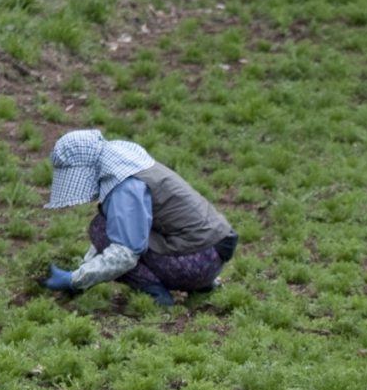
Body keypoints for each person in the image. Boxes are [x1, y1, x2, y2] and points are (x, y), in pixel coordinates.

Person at [42, 127, 236, 306]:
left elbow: (124, 254)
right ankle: (201, 284)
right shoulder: (129, 163)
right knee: (109, 226)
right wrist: (85, 271)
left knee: (103, 231)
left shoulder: (125, 188)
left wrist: (74, 280)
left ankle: (156, 295)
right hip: (211, 251)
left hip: (198, 262)